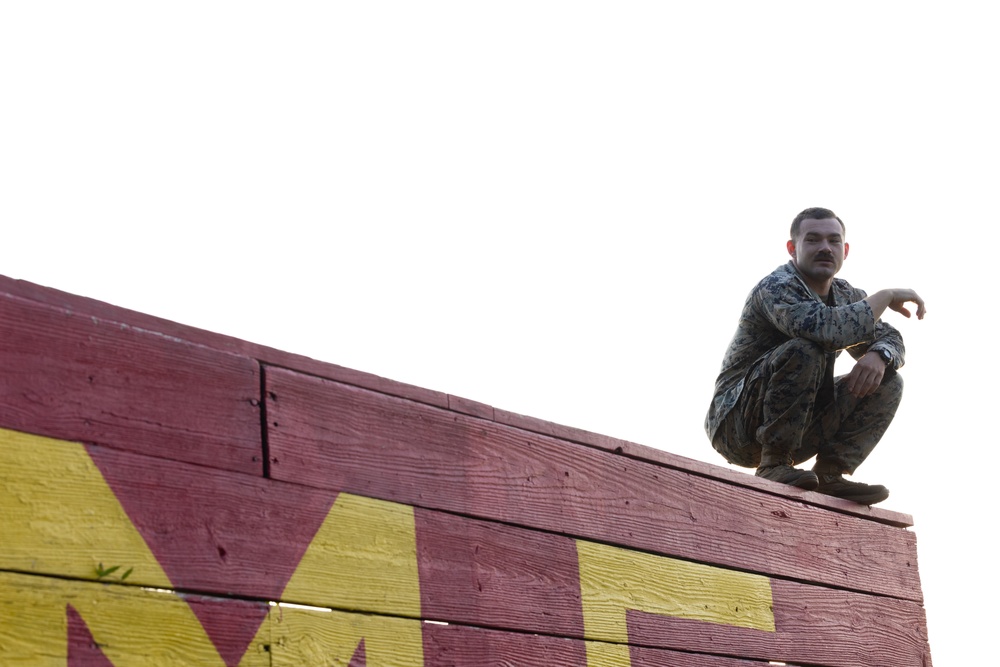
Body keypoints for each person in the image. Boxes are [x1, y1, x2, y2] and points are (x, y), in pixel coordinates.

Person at [704, 207, 925, 505]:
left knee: (889, 380)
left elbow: (892, 338)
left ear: (845, 250)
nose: (825, 248)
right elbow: (827, 330)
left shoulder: (846, 295)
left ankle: (831, 473)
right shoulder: (777, 287)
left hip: (800, 426)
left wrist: (879, 355)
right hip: (736, 426)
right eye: (813, 240)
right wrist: (885, 296)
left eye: (834, 241)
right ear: (793, 248)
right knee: (806, 348)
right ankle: (773, 464)